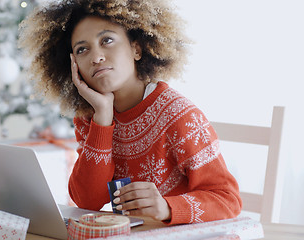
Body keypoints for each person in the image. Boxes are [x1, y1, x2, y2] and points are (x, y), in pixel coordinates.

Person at [19, 0, 241, 225]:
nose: (96, 57)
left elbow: (228, 199)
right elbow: (87, 201)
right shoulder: (90, 116)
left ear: (136, 48)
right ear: (74, 65)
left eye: (107, 40)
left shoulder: (179, 115)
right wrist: (102, 119)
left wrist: (167, 208)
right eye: (82, 49)